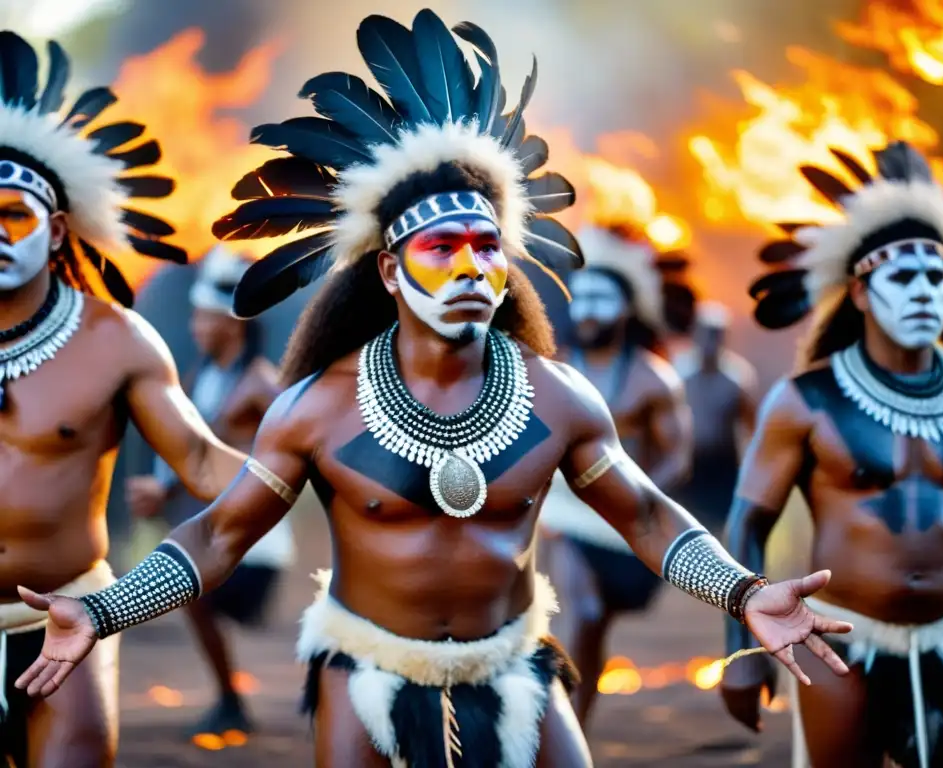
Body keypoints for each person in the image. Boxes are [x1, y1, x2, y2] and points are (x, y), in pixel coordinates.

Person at [15, 11, 852, 767]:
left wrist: (743, 591)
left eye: (487, 246)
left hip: (516, 667)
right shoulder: (319, 408)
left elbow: (645, 515)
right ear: (388, 269)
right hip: (366, 674)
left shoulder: (556, 396)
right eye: (440, 246)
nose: (469, 266)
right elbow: (218, 535)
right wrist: (106, 610)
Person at [720, 141, 943, 767]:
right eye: (901, 276)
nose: (922, 292)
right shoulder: (806, 400)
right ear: (859, 293)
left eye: (936, 276)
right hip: (839, 637)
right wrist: (741, 650)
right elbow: (748, 521)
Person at [0, 31, 247, 767]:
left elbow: (205, 463)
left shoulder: (115, 340)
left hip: (64, 617)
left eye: (13, 212)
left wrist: (321, 469)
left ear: (57, 232)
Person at [126, 245, 296, 737]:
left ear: (232, 323)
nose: (197, 327)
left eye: (205, 318)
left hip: (258, 549)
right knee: (189, 587)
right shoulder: (204, 378)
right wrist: (161, 489)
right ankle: (230, 699)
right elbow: (196, 450)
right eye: (196, 318)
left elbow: (299, 446)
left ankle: (234, 697)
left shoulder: (263, 384)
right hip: (222, 540)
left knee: (193, 592)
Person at [539, 223, 692, 727]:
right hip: (562, 515)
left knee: (594, 623)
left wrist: (636, 499)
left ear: (627, 307)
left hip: (624, 521)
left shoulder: (653, 377)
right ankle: (554, 729)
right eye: (580, 297)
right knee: (580, 613)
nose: (587, 309)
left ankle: (573, 729)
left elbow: (677, 458)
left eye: (601, 298)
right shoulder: (553, 369)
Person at [672, 300, 758, 533]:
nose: (710, 340)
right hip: (687, 469)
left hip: (723, 468)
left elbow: (752, 428)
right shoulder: (677, 373)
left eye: (717, 334)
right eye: (706, 333)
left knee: (718, 531)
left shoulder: (737, 378)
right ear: (694, 333)